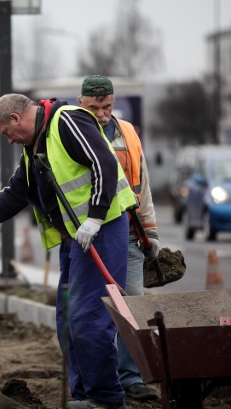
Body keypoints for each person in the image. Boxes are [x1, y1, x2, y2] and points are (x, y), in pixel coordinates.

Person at [0, 94, 137, 409]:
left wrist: (95, 218)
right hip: (76, 237)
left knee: (88, 319)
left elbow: (104, 163)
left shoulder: (67, 121)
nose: (8, 140)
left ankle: (106, 399)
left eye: (7, 132)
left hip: (100, 230)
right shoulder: (34, 147)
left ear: (17, 119)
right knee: (67, 321)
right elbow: (16, 194)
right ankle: (84, 395)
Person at [79, 75, 160, 401]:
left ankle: (130, 378)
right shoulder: (73, 132)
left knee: (133, 307)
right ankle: (96, 381)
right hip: (89, 238)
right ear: (81, 102)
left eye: (107, 106)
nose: (101, 113)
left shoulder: (127, 133)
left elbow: (141, 185)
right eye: (94, 107)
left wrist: (149, 230)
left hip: (127, 235)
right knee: (93, 312)